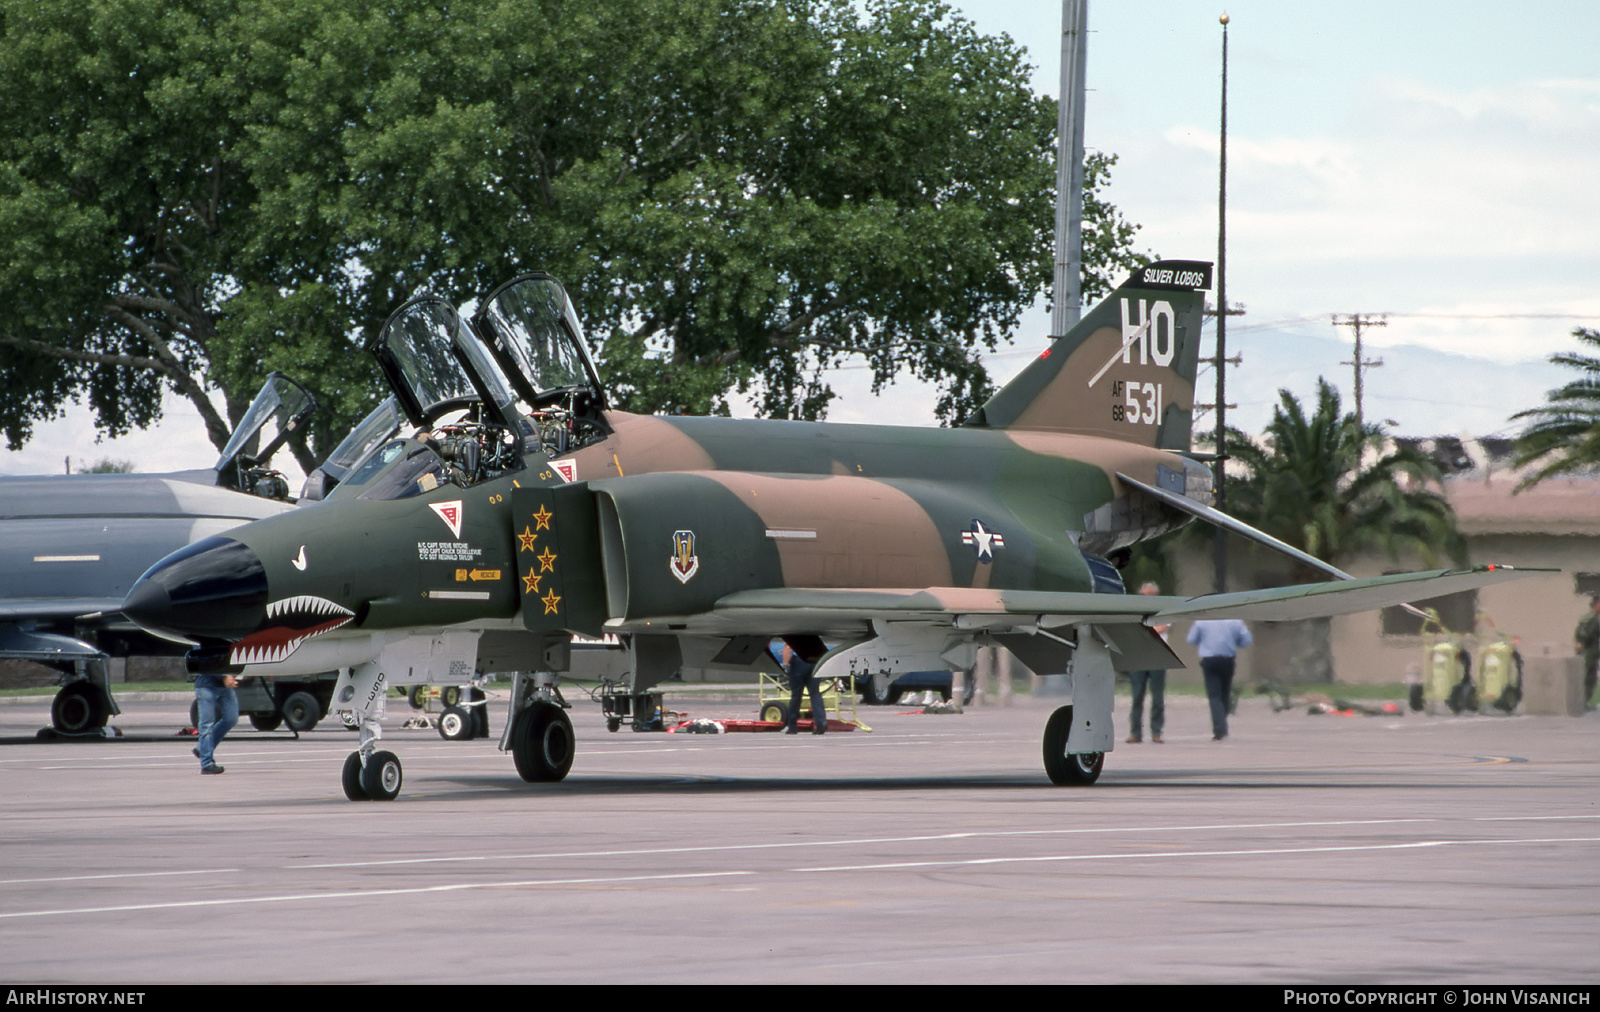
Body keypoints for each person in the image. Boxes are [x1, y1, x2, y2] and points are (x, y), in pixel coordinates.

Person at [1186, 618, 1252, 741]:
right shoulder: (1236, 621)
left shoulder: (1202, 621)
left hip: (1209, 659)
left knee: (1214, 695)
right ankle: (1222, 722)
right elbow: (1246, 640)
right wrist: (1233, 640)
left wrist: (1204, 641)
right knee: (1224, 693)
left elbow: (1191, 639)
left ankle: (1219, 728)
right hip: (1227, 659)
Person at [1126, 582, 1169, 743]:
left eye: (1150, 595)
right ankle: (1135, 732)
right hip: (1139, 657)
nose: (1147, 598)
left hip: (1158, 656)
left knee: (1157, 696)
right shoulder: (1134, 611)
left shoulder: (1163, 610)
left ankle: (1156, 731)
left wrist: (1144, 630)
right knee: (1137, 695)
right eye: (1144, 595)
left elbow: (1162, 628)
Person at [193, 673, 239, 774]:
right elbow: (208, 659)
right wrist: (223, 676)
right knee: (207, 723)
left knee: (231, 718)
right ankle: (207, 763)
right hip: (206, 685)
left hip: (224, 686)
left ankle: (202, 748)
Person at [781, 638, 827, 735]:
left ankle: (792, 726)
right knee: (815, 693)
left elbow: (788, 647)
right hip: (814, 661)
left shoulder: (795, 632)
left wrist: (785, 666)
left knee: (796, 695)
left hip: (798, 663)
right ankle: (821, 723)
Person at [1573, 595, 1600, 709]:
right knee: (1585, 678)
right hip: (1587, 654)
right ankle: (1581, 702)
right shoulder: (1589, 619)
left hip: (1592, 654)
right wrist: (1581, 644)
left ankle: (1586, 702)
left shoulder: (1595, 619)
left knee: (1591, 678)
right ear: (1596, 605)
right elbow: (1583, 635)